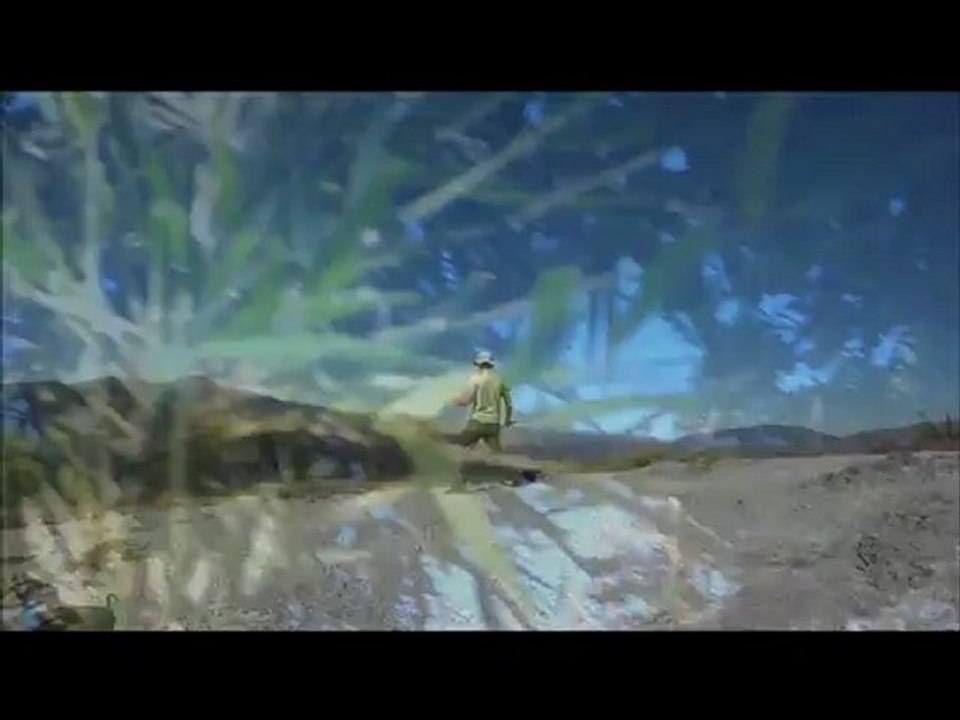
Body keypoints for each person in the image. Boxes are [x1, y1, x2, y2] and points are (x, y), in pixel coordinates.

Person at [449, 351, 514, 452]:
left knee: (458, 447)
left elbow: (466, 401)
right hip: (493, 425)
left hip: (477, 422)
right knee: (498, 454)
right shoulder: (500, 380)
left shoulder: (475, 379)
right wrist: (507, 420)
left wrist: (453, 402)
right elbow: (509, 404)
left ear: (478, 364)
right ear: (491, 364)